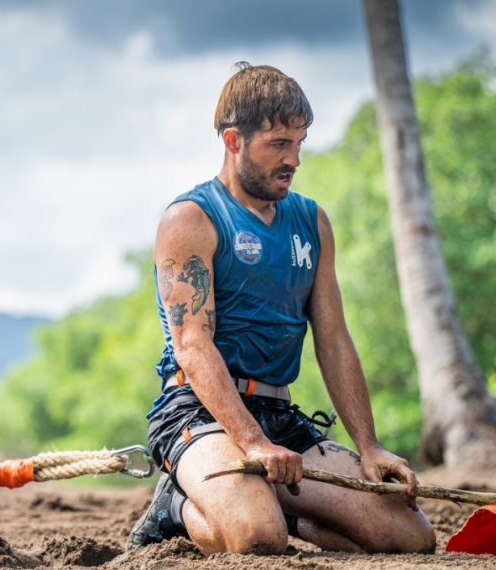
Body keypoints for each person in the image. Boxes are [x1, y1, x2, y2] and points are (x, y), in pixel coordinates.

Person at [127, 63, 436, 555]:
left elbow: (333, 340)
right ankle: (176, 506)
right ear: (233, 140)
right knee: (256, 538)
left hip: (278, 415)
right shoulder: (190, 219)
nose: (293, 159)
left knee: (409, 537)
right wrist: (249, 441)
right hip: (199, 412)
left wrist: (370, 446)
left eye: (300, 142)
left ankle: (283, 505)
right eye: (278, 144)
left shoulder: (311, 220)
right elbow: (191, 344)